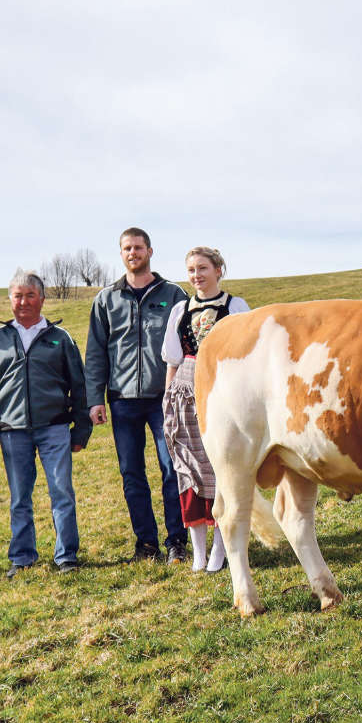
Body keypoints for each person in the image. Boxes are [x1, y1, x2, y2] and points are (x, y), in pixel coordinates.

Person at [0, 272, 92, 578]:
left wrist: (81, 429)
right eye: (17, 296)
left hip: (54, 428)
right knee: (19, 498)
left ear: (42, 299)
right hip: (12, 431)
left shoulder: (60, 338)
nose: (23, 302)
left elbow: (80, 386)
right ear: (10, 299)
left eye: (30, 295)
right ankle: (22, 557)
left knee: (62, 492)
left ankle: (66, 556)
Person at [86, 228, 190, 563]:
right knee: (131, 474)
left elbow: (188, 346)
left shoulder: (173, 294)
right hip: (123, 400)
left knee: (172, 469)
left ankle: (177, 541)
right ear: (121, 254)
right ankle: (146, 544)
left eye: (139, 247)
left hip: (165, 400)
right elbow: (96, 353)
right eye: (127, 248)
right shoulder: (106, 299)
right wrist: (95, 398)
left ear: (150, 251)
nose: (133, 253)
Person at [160, 246, 250, 573]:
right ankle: (198, 549)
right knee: (188, 467)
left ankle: (220, 549)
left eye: (203, 268)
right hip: (186, 390)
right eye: (191, 270)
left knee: (221, 467)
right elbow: (172, 360)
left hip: (223, 388)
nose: (196, 275)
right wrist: (168, 399)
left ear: (218, 270)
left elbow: (248, 355)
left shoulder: (235, 307)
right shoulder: (180, 310)